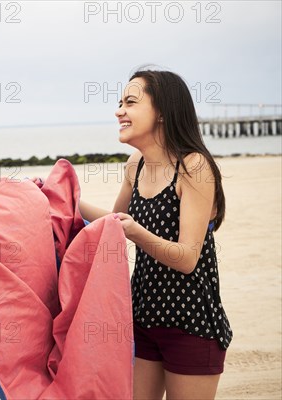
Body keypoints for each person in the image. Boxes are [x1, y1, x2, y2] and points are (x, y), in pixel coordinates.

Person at [79, 69, 232, 399]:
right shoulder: (135, 165)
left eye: (130, 102)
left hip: (191, 323)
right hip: (142, 317)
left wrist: (135, 231)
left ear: (162, 112)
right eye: (119, 103)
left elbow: (188, 257)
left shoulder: (194, 166)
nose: (119, 110)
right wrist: (66, 202)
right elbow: (115, 222)